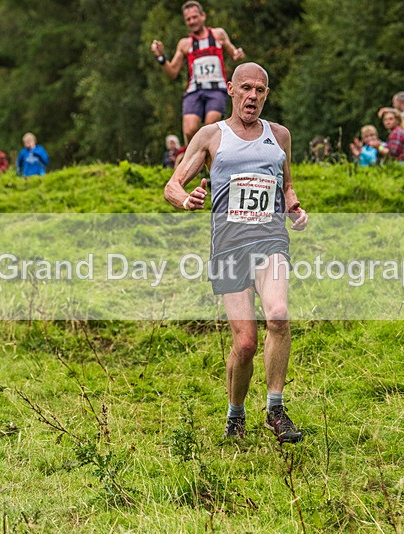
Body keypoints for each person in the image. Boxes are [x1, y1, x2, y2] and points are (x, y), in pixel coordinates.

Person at [164, 63, 308, 444]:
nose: (253, 97)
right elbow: (173, 185)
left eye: (260, 90)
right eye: (246, 88)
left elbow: (287, 184)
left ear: (266, 95)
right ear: (230, 89)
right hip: (229, 246)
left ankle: (275, 409)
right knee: (244, 343)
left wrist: (294, 207)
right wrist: (187, 200)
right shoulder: (212, 135)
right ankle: (235, 414)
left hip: (270, 240)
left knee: (278, 316)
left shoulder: (279, 135)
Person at [150, 1, 246, 144]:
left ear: (203, 16)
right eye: (188, 19)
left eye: (195, 17)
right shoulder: (185, 44)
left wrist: (238, 54)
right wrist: (161, 57)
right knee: (189, 130)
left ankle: (209, 161)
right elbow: (172, 73)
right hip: (194, 91)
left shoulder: (218, 34)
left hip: (216, 89)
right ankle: (194, 160)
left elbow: (234, 54)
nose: (192, 21)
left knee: (209, 127)